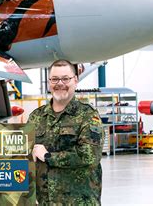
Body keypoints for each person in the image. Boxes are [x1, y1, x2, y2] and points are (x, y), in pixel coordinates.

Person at [29, 59, 104, 205]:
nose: (60, 83)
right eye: (55, 79)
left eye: (65, 79)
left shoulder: (88, 116)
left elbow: (90, 157)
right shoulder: (36, 117)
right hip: (45, 201)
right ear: (49, 82)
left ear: (75, 80)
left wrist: (48, 156)